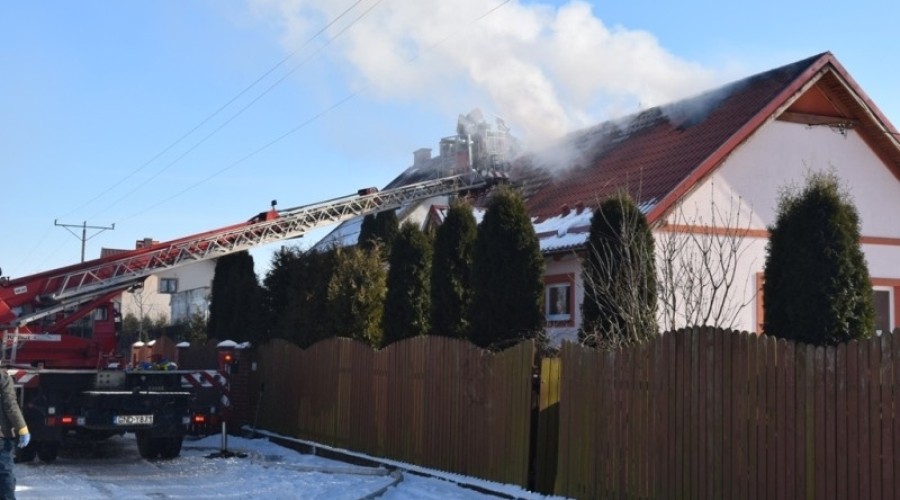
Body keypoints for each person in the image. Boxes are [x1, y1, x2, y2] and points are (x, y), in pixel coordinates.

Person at [0, 369, 29, 500]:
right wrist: (22, 429)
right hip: (2, 437)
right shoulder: (2, 378)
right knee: (4, 474)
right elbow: (10, 405)